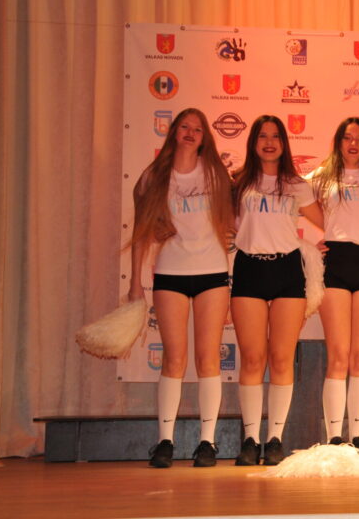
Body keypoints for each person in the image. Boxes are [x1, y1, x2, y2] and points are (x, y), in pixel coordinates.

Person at [127, 108, 233, 468]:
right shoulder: (153, 176)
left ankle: (207, 443)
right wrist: (135, 284)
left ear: (205, 138)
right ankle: (165, 442)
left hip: (213, 273)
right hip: (170, 274)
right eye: (184, 127)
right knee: (173, 359)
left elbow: (234, 221)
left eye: (197, 129)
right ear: (174, 132)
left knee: (208, 359)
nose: (190, 133)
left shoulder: (216, 173)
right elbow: (141, 233)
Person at [231, 115, 325, 466]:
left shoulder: (297, 185)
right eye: (262, 136)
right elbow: (222, 223)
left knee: (282, 359)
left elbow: (328, 222)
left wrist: (320, 246)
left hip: (287, 270)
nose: (269, 142)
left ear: (284, 144)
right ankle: (250, 439)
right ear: (253, 142)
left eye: (275, 136)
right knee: (253, 359)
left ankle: (274, 440)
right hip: (249, 268)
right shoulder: (238, 183)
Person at [310, 117, 359, 456]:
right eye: (347, 137)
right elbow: (287, 196)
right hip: (337, 263)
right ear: (338, 142)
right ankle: (333, 439)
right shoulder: (320, 177)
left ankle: (357, 438)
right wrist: (311, 241)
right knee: (338, 355)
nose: (353, 144)